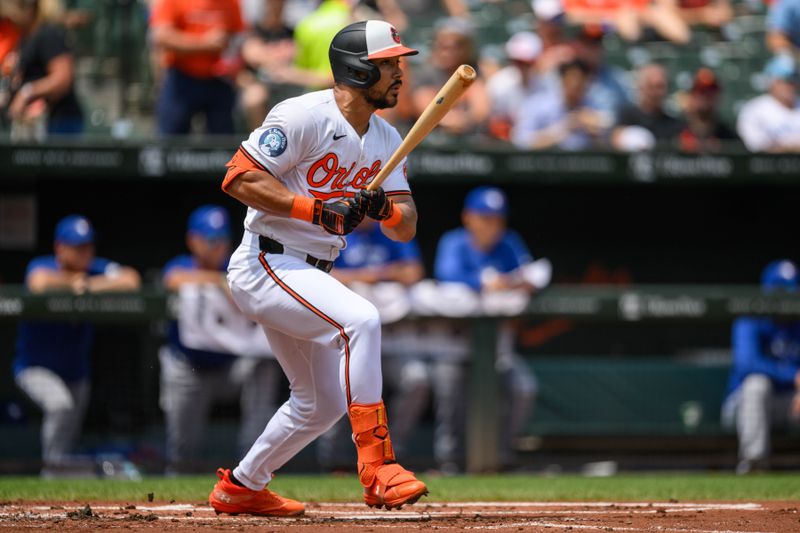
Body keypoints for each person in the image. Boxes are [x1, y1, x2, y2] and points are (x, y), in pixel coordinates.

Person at [208, 20, 428, 516]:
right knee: (362, 320)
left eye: (398, 63)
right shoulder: (303, 114)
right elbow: (238, 179)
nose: (399, 73)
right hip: (266, 259)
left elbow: (406, 226)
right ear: (356, 70)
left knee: (320, 404)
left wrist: (382, 209)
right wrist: (317, 209)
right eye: (389, 64)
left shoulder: (387, 136)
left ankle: (242, 485)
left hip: (310, 271)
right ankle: (378, 467)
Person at [12, 215, 141, 475]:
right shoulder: (43, 265)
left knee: (68, 434)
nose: (85, 253)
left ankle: (58, 482)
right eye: (77, 247)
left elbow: (131, 279)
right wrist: (73, 284)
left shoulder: (95, 269)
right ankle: (49, 474)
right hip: (35, 368)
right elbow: (38, 283)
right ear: (60, 247)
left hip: (76, 373)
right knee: (60, 406)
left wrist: (90, 285)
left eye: (88, 246)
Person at [160, 205, 282, 474]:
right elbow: (172, 279)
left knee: (261, 366)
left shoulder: (235, 267)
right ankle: (179, 472)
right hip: (189, 367)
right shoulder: (182, 265)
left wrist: (224, 284)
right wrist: (216, 281)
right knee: (182, 449)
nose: (217, 247)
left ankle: (251, 466)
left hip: (231, 367)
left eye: (222, 240)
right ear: (193, 240)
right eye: (210, 240)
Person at [432, 186, 539, 472]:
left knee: (523, 388)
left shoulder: (509, 243)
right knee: (448, 386)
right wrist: (484, 283)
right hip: (456, 342)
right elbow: (447, 275)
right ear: (469, 217)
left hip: (496, 346)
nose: (492, 226)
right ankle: (449, 460)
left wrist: (510, 284)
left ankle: (501, 457)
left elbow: (530, 276)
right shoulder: (454, 242)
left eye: (497, 219)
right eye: (485, 217)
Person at [316, 218, 424, 471]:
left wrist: (372, 276)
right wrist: (365, 276)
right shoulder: (334, 231)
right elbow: (319, 276)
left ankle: (390, 453)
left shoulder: (389, 232)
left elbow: (413, 272)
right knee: (340, 389)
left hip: (392, 337)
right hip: (346, 339)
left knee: (417, 380)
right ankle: (332, 462)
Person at [722, 260, 800, 474]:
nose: (785, 298)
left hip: (788, 404)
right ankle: (754, 462)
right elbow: (748, 364)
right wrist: (793, 376)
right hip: (742, 405)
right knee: (757, 384)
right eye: (780, 292)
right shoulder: (751, 318)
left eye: (790, 292)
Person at [150, 0, 245, 136]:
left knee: (222, 144)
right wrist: (204, 44)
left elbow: (239, 36)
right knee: (170, 143)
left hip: (219, 80)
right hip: (182, 78)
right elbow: (161, 36)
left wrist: (233, 57)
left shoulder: (231, 3)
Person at [1, 0, 84, 138]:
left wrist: (27, 93)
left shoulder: (47, 34)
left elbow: (63, 78)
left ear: (30, 9)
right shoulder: (25, 37)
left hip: (60, 124)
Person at [411, 17, 490, 136]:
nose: (447, 53)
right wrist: (451, 121)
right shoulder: (427, 71)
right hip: (429, 141)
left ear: (467, 49)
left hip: (466, 138)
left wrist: (463, 121)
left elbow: (481, 109)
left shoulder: (473, 70)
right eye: (443, 46)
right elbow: (425, 109)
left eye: (456, 47)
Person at [512, 58, 613, 150]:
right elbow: (522, 141)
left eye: (580, 84)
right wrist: (565, 127)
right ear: (562, 80)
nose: (575, 87)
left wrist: (596, 130)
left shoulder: (591, 105)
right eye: (572, 82)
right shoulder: (537, 104)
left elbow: (610, 134)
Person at [612, 63, 685, 150]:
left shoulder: (674, 125)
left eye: (660, 87)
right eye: (651, 86)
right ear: (641, 87)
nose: (656, 93)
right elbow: (615, 142)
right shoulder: (626, 117)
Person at [736, 55, 800, 153]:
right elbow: (758, 147)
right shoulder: (754, 109)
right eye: (786, 80)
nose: (791, 85)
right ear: (772, 82)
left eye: (794, 79)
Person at [677, 67, 739, 152]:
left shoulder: (729, 137)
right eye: (701, 91)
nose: (706, 96)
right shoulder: (675, 132)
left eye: (711, 91)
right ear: (691, 96)